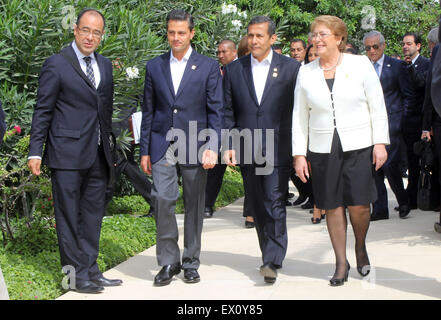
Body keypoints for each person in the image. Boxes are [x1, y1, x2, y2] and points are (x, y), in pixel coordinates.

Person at [27, 8, 122, 294]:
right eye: (86, 30)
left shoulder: (104, 66)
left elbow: (104, 110)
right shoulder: (56, 64)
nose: (90, 37)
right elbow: (43, 110)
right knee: (67, 218)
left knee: (92, 217)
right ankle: (73, 278)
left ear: (101, 35)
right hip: (66, 154)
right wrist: (35, 151)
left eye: (97, 32)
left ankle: (90, 271)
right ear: (75, 30)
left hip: (97, 154)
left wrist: (110, 147)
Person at [292, 15, 389, 286]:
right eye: (314, 35)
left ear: (338, 38)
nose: (316, 40)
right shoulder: (306, 71)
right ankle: (340, 262)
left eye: (323, 34)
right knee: (332, 205)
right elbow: (299, 117)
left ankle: (360, 246)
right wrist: (299, 153)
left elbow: (377, 105)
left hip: (359, 144)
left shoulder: (360, 65)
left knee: (359, 205)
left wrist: (380, 142)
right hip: (322, 148)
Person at [139, 9, 223, 286]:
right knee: (163, 200)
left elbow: (216, 111)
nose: (176, 37)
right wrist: (145, 151)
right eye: (171, 32)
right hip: (162, 145)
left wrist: (213, 145)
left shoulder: (209, 66)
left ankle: (190, 262)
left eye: (181, 33)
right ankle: (168, 261)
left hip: (196, 146)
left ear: (191, 33)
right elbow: (148, 111)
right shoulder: (154, 66)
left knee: (194, 205)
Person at [223, 16, 301, 284]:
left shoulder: (291, 68)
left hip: (277, 146)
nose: (254, 40)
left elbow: (298, 112)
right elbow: (228, 111)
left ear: (272, 38)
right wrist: (229, 145)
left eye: (259, 36)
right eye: (251, 36)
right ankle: (267, 252)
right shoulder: (235, 69)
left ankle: (273, 259)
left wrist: (299, 149)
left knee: (274, 200)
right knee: (257, 203)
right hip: (246, 146)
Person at [363, 31, 410, 220]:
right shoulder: (363, 67)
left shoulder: (397, 66)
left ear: (383, 46)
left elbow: (408, 95)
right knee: (373, 167)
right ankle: (380, 209)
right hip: (369, 125)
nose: (372, 51)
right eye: (368, 48)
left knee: (389, 165)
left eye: (375, 47)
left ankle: (403, 200)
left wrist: (402, 120)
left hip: (392, 123)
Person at [203, 39, 237, 219]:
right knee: (215, 169)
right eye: (219, 52)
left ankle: (251, 210)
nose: (220, 55)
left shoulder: (241, 71)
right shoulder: (216, 72)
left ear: (234, 52)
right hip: (219, 126)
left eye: (224, 52)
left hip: (238, 128)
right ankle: (207, 204)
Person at [401, 32, 431, 209]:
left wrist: (410, 68)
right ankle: (410, 198)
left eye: (409, 44)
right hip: (406, 121)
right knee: (410, 161)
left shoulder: (426, 64)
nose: (405, 47)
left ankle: (422, 197)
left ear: (418, 46)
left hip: (421, 121)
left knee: (423, 162)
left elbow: (422, 86)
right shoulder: (401, 66)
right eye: (404, 44)